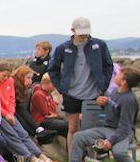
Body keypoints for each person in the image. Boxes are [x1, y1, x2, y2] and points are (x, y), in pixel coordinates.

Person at [58, 67, 140, 162]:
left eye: (119, 74)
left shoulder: (129, 100)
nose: (116, 76)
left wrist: (110, 141)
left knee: (119, 153)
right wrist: (102, 103)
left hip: (122, 133)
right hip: (106, 128)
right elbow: (112, 111)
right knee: (78, 137)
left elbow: (124, 127)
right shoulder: (114, 92)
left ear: (124, 81)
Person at [48, 17, 114, 152]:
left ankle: (92, 160)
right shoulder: (63, 48)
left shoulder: (99, 45)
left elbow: (108, 66)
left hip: (93, 94)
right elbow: (53, 69)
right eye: (81, 32)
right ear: (73, 30)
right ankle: (73, 161)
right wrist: (62, 88)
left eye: (86, 32)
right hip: (72, 94)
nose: (84, 35)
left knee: (91, 129)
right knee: (73, 128)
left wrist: (103, 86)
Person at [0, 62, 51, 162]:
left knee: (23, 133)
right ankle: (31, 158)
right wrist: (7, 115)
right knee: (11, 135)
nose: (6, 78)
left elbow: (12, 99)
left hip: (9, 113)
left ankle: (40, 155)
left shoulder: (10, 81)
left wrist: (11, 113)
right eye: (4, 76)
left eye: (8, 76)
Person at [30, 73, 69, 138]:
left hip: (50, 118)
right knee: (67, 125)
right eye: (53, 84)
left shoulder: (47, 93)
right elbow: (46, 113)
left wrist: (55, 114)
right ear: (46, 83)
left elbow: (52, 106)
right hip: (42, 121)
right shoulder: (39, 94)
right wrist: (55, 114)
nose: (55, 87)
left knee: (69, 128)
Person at [11, 65, 38, 136]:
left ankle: (38, 129)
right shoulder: (12, 85)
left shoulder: (21, 87)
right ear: (21, 77)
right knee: (28, 131)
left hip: (17, 109)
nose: (30, 81)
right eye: (28, 78)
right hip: (10, 112)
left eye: (31, 78)